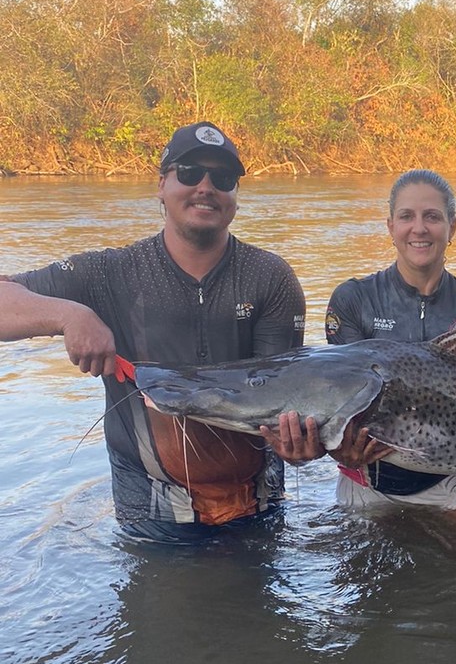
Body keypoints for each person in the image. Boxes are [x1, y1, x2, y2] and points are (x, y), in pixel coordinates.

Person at [0, 122, 306, 542]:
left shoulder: (270, 278)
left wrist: (304, 446)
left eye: (223, 178)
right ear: (161, 184)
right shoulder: (109, 273)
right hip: (150, 512)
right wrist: (69, 315)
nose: (205, 186)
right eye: (189, 172)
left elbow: (285, 392)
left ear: (234, 193)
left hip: (260, 504)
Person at [271, 169, 456, 526]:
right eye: (407, 216)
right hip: (368, 479)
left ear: (453, 226)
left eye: (432, 217)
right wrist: (305, 451)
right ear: (390, 226)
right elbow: (340, 406)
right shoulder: (353, 300)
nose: (419, 228)